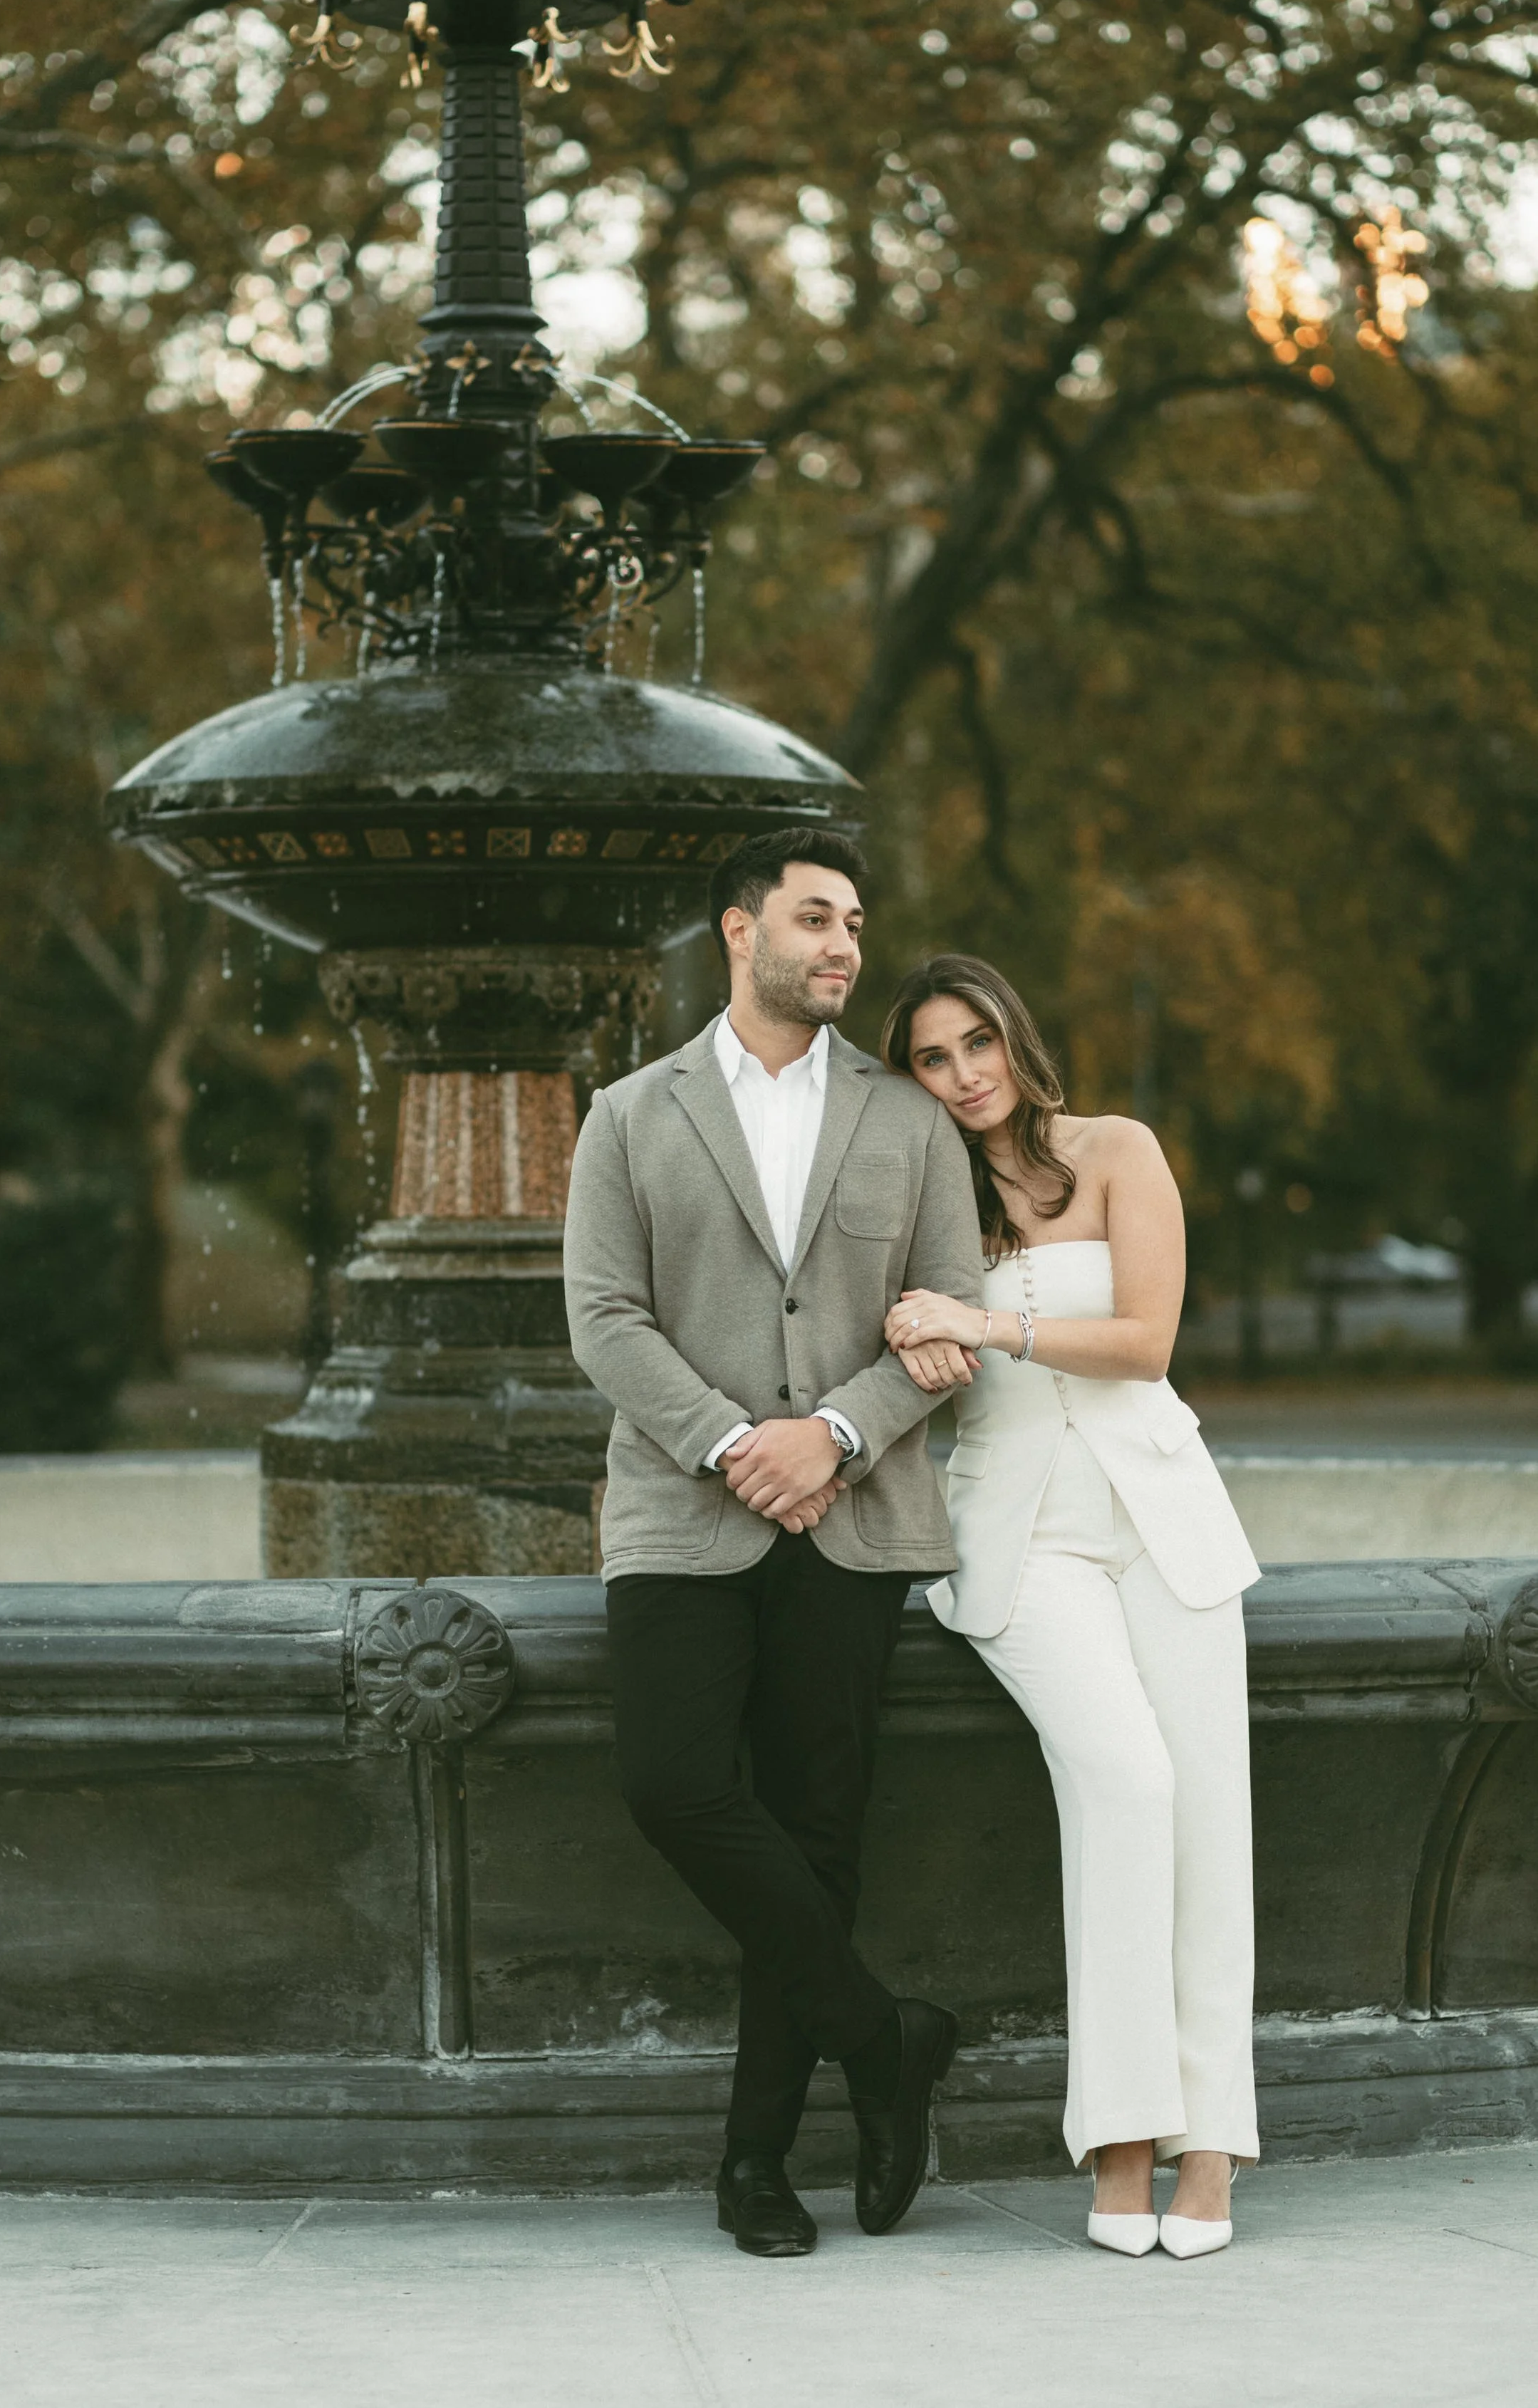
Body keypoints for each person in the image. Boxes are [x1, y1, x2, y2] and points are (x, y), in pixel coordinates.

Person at [563, 830, 985, 2259]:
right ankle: (881, 2038)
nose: (845, 945)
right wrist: (738, 1444)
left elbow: (949, 1319)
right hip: (680, 1512)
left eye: (854, 921)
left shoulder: (909, 1120)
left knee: (816, 1835)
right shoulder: (630, 1113)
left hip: (856, 1520)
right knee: (673, 1783)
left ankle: (754, 2163)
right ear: (737, 932)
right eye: (815, 918)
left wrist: (837, 1436)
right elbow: (602, 1319)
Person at [878, 953, 1262, 2259]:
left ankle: (1211, 2145)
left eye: (976, 1042)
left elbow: (1148, 1339)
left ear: (1014, 1036)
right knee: (1128, 1781)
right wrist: (919, 1334)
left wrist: (982, 1326)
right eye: (932, 1058)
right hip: (1019, 1532)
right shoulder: (921, 1195)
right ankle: (1123, 2136)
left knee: (1209, 1819)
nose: (963, 1074)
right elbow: (898, 1341)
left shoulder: (1116, 1150)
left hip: (1163, 1515)